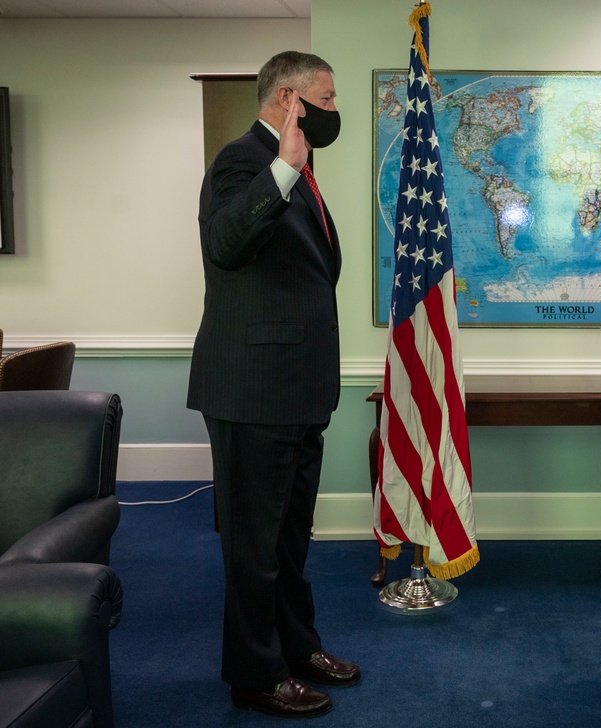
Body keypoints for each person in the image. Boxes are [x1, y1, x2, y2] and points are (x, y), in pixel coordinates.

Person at [187, 50, 359, 719]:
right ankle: (255, 675)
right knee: (254, 547)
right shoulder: (241, 161)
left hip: (296, 390)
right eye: (328, 96)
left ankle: (296, 648)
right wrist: (283, 166)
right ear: (290, 98)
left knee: (288, 540)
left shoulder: (297, 169)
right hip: (254, 391)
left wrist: (293, 167)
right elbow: (226, 243)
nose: (333, 109)